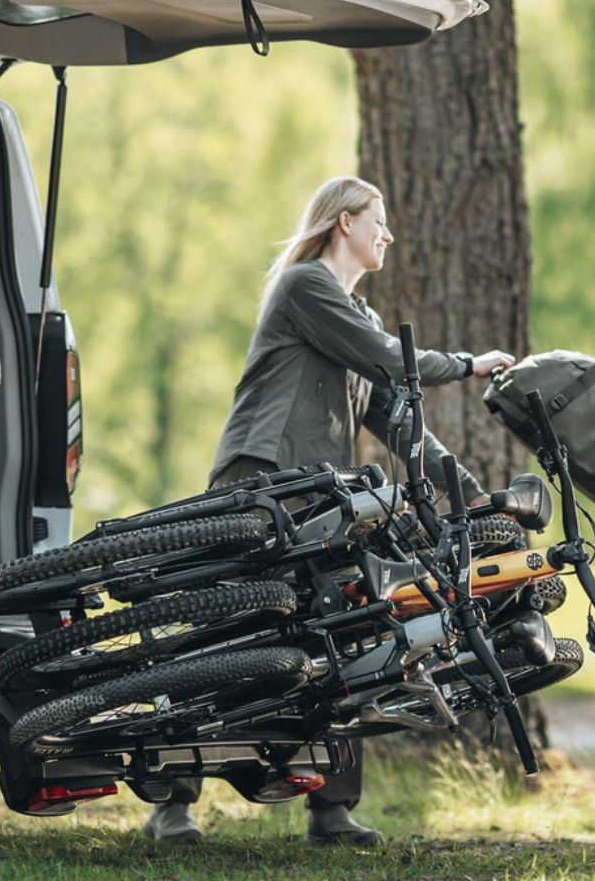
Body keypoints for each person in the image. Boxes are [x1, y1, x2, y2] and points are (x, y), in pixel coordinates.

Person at [143, 175, 514, 846]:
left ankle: (332, 810)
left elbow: (396, 418)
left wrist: (469, 494)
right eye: (378, 219)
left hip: (321, 497)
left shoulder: (356, 314)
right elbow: (391, 364)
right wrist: (467, 365)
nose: (388, 234)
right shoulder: (306, 287)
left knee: (350, 635)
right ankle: (171, 804)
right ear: (343, 221)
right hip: (259, 480)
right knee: (225, 635)